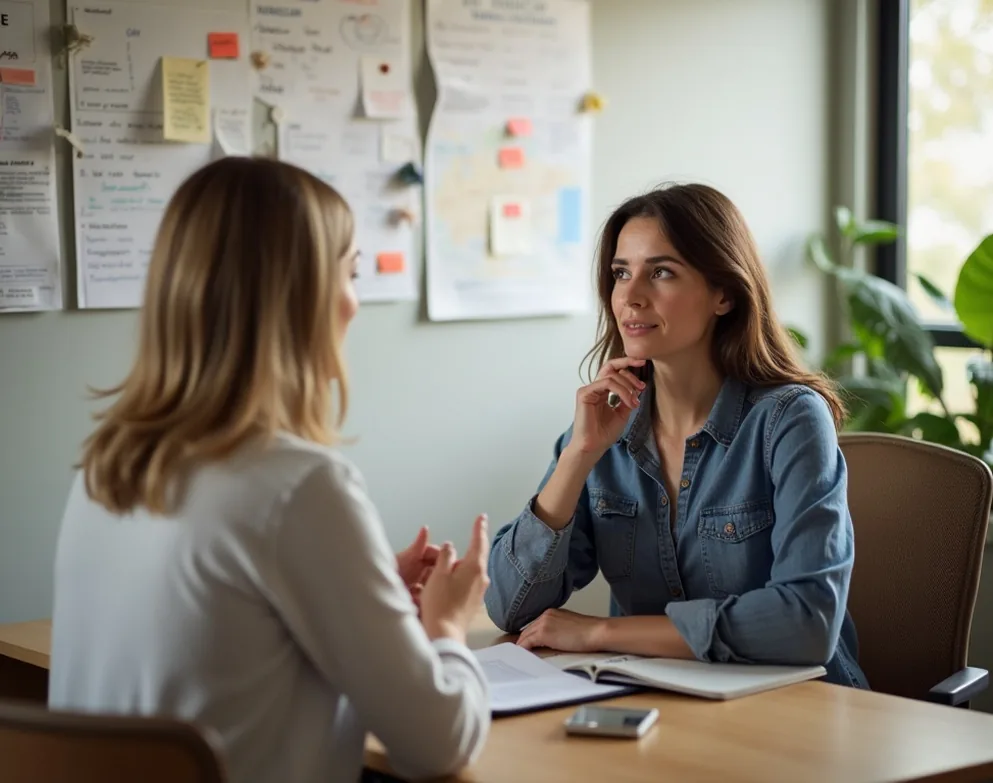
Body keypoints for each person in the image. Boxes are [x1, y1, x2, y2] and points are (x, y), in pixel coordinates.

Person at [48, 157, 492, 783]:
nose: (354, 305)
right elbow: (437, 745)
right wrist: (446, 625)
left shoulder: (108, 466)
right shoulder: (300, 486)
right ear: (300, 298)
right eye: (350, 274)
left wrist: (368, 593)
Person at [485, 183, 868, 689]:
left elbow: (806, 623)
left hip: (799, 707)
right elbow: (509, 606)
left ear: (723, 294)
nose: (631, 297)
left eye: (661, 272)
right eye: (621, 273)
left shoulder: (790, 420)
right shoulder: (601, 432)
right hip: (660, 704)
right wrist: (578, 455)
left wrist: (602, 632)